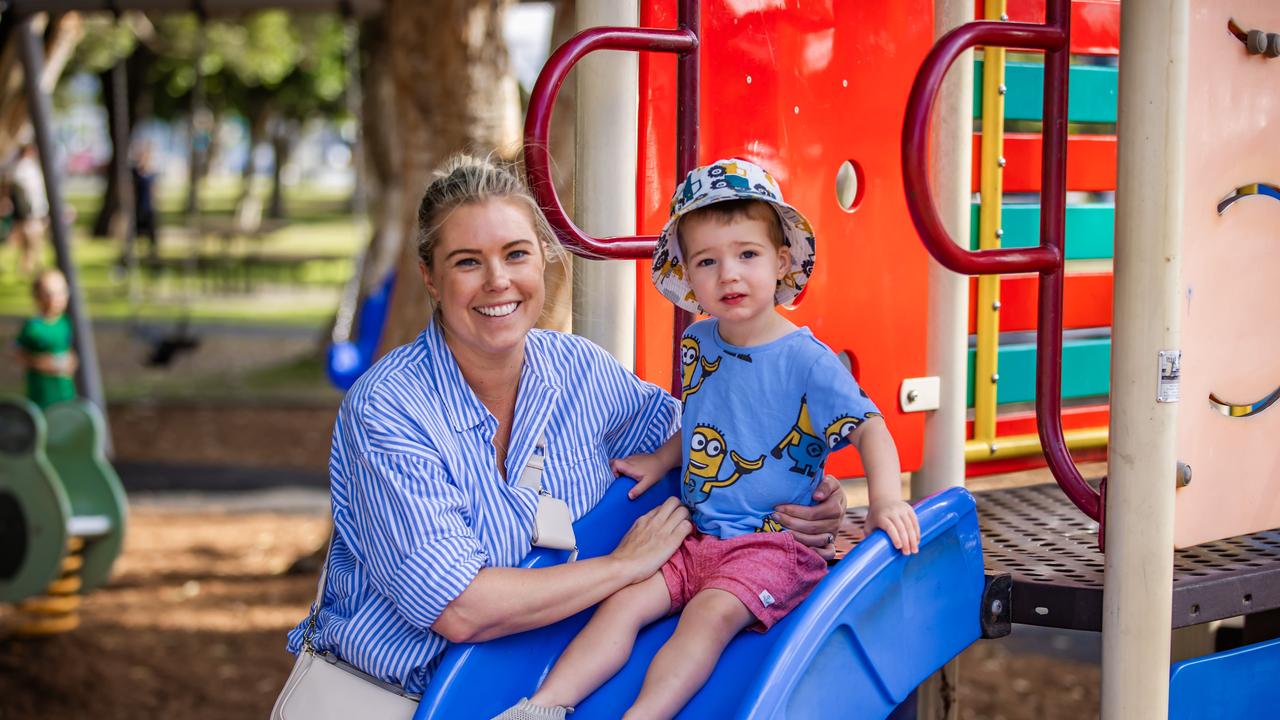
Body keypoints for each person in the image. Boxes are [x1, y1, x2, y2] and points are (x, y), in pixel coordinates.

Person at [283, 155, 848, 699]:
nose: (497, 281)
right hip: (395, 696)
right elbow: (460, 609)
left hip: (535, 688)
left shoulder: (579, 371)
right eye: (467, 262)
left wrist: (804, 495)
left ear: (543, 262)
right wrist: (624, 566)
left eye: (516, 254)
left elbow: (716, 444)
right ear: (431, 279)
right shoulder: (389, 407)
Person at [497, 159, 922, 720]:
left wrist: (887, 500)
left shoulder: (806, 361)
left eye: (747, 254)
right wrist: (661, 458)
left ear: (781, 261)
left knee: (708, 616)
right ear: (690, 277)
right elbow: (704, 420)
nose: (729, 275)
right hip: (698, 536)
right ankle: (543, 707)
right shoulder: (700, 340)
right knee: (621, 604)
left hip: (774, 548)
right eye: (708, 261)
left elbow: (872, 428)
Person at [14, 268, 77, 408]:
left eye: (61, 292)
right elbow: (18, 353)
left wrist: (71, 362)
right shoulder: (33, 327)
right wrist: (41, 363)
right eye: (49, 294)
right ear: (37, 296)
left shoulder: (66, 322)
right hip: (41, 395)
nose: (56, 299)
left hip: (65, 393)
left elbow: (69, 352)